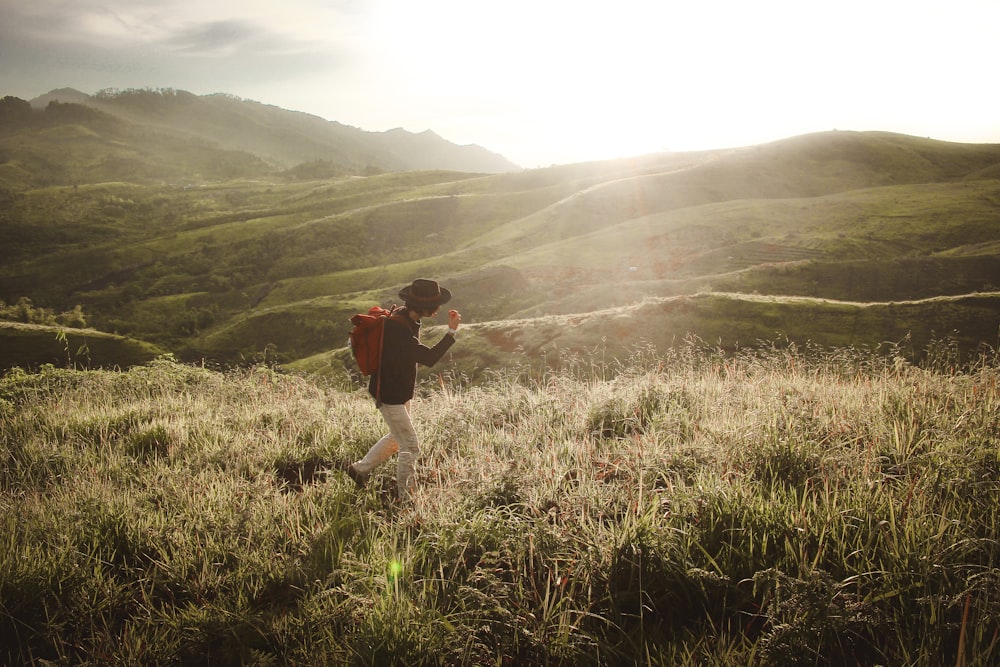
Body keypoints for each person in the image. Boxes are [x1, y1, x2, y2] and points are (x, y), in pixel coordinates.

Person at [347, 279, 461, 501]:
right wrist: (451, 332)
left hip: (399, 391)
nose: (438, 308)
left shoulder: (407, 317)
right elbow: (428, 358)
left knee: (397, 437)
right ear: (423, 306)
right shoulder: (398, 329)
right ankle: (406, 500)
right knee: (410, 446)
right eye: (435, 304)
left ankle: (359, 470)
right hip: (390, 395)